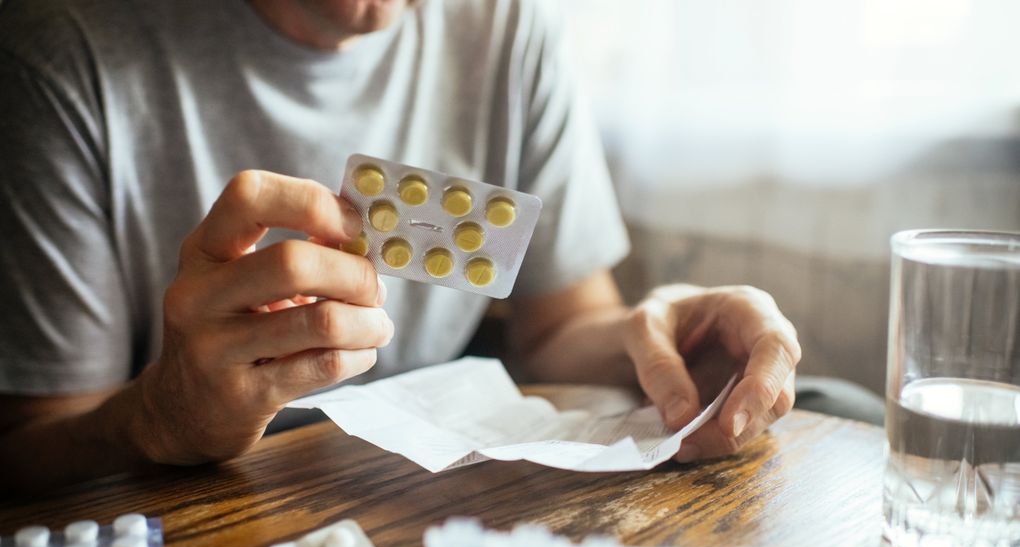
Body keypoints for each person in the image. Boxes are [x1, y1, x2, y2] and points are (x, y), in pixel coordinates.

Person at [0, 0, 800, 491]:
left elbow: (560, 327)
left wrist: (659, 345)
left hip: (430, 505)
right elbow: (26, 450)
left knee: (839, 407)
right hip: (188, 521)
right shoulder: (60, 54)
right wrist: (158, 419)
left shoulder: (505, 24)